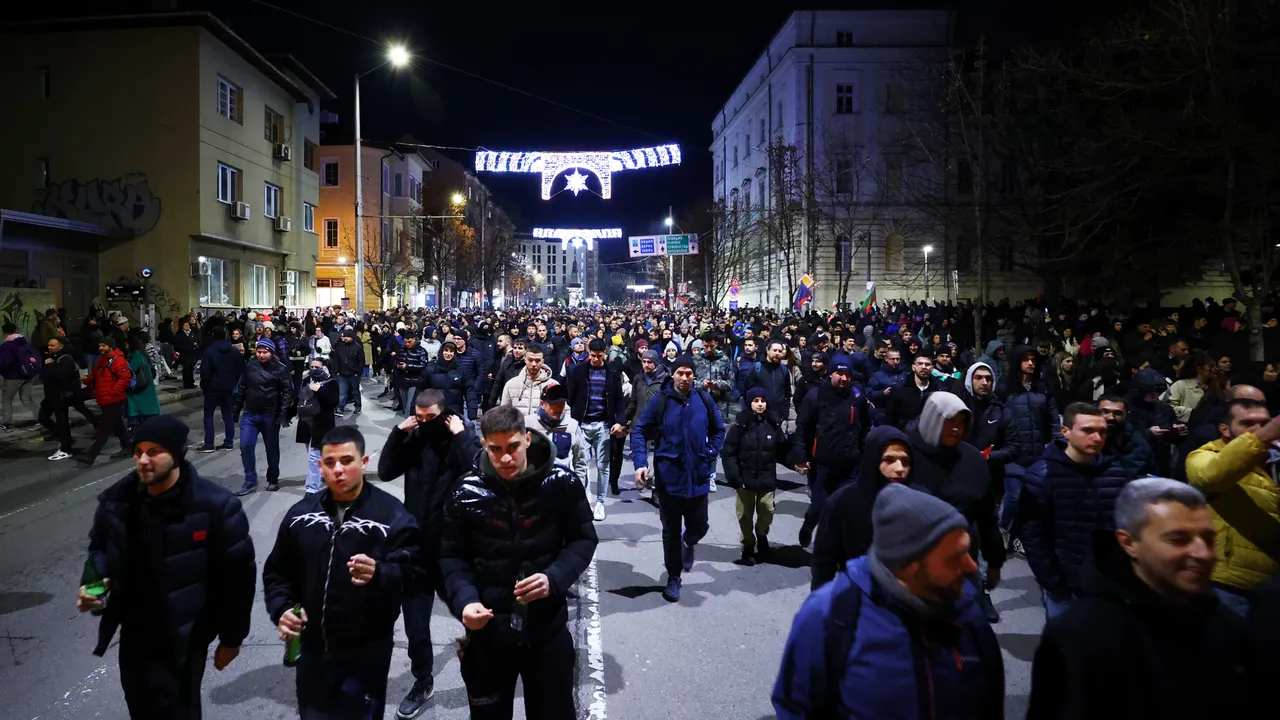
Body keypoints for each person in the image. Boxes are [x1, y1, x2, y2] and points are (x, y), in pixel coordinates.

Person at [1025, 478, 1258, 720]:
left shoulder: (1227, 626)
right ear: (1129, 542)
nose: (1203, 553)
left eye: (1209, 539)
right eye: (1178, 539)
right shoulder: (1080, 636)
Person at [772, 483, 1005, 719]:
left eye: (968, 552)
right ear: (910, 563)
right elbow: (794, 705)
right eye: (953, 557)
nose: (971, 566)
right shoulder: (830, 613)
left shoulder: (969, 617)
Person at [79, 415, 256, 719]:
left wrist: (231, 639)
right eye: (138, 452)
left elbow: (238, 580)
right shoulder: (117, 502)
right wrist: (93, 583)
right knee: (140, 707)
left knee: (177, 711)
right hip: (133, 633)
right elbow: (99, 549)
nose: (143, 460)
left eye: (154, 451)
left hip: (185, 635)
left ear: (176, 455)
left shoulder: (215, 506)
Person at [440, 405, 598, 720]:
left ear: (527, 438)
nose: (506, 458)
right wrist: (465, 601)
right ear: (483, 444)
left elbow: (583, 539)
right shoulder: (463, 493)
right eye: (495, 449)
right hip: (489, 635)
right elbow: (451, 557)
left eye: (513, 447)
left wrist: (553, 578)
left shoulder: (561, 483)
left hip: (547, 631)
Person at [263, 425, 423, 720]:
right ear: (320, 466)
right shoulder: (300, 515)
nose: (338, 470)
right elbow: (277, 573)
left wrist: (380, 573)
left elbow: (416, 576)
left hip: (366, 655)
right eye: (329, 462)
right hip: (311, 653)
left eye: (347, 461)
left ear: (364, 462)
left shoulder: (392, 517)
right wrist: (282, 609)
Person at [378, 389, 481, 718]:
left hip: (456, 551)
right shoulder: (415, 440)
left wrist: (463, 436)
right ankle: (423, 680)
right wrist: (399, 433)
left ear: (446, 416)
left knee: (474, 617)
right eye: (419, 418)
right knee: (416, 626)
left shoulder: (459, 440)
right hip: (417, 550)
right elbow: (385, 471)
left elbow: (480, 470)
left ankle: (483, 669)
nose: (424, 424)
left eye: (430, 419)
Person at [1020, 402, 1135, 619]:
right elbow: (1033, 535)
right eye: (1087, 430)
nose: (1097, 438)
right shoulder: (1041, 476)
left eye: (1102, 432)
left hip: (1108, 583)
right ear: (1065, 432)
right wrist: (1052, 581)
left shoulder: (1115, 473)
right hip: (1066, 584)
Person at [632, 356, 726, 602]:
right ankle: (674, 577)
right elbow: (640, 430)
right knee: (670, 531)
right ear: (672, 374)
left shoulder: (704, 400)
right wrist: (641, 463)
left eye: (689, 374)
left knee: (700, 525)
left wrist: (710, 452)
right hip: (668, 477)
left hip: (698, 475)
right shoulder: (661, 401)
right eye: (680, 373)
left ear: (694, 376)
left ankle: (690, 540)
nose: (684, 378)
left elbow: (718, 430)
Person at [1185, 397, 1280, 616]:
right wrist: (1263, 436)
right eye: (1247, 424)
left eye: (1265, 424)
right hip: (1228, 584)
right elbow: (1212, 477)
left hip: (1272, 582)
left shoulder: (1273, 459)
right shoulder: (1204, 456)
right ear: (1225, 429)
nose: (1258, 430)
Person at [810, 425, 912, 589]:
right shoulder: (843, 502)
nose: (899, 469)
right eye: (889, 460)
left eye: (905, 461)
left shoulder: (918, 503)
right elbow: (824, 563)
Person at [791, 360, 870, 548]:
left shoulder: (856, 397)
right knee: (818, 507)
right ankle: (809, 526)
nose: (844, 378)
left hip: (850, 464)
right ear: (831, 374)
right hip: (822, 464)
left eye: (848, 375)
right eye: (840, 374)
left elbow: (866, 425)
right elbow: (803, 428)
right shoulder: (815, 396)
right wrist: (800, 457)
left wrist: (864, 452)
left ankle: (836, 549)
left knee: (846, 510)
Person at [722, 387, 787, 565]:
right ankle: (748, 545)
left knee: (767, 510)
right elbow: (728, 453)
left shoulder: (773, 425)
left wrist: (799, 462)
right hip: (745, 479)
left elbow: (783, 450)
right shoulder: (740, 426)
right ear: (749, 403)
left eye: (763, 401)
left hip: (767, 478)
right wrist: (734, 477)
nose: (760, 404)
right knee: (744, 516)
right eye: (756, 401)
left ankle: (761, 534)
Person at [566, 338, 626, 517]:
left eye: (600, 356)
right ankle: (585, 498)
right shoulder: (579, 371)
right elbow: (571, 395)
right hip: (582, 423)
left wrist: (620, 421)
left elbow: (619, 398)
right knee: (581, 464)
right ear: (588, 352)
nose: (596, 359)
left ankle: (600, 502)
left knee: (602, 465)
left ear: (605, 354)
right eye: (593, 356)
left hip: (604, 424)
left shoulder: (612, 372)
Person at [233, 338, 294, 495]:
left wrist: (282, 414)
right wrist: (236, 409)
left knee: (271, 449)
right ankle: (250, 480)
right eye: (258, 352)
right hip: (250, 414)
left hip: (270, 415)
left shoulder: (281, 369)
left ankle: (273, 479)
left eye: (264, 352)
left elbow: (287, 392)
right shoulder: (250, 366)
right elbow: (242, 388)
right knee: (246, 445)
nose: (261, 355)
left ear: (271, 353)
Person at [76, 336, 133, 466]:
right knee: (118, 425)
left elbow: (125, 379)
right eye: (100, 345)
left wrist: (112, 392)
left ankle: (92, 454)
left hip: (114, 399)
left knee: (105, 428)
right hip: (104, 399)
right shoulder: (101, 360)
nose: (100, 348)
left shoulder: (118, 360)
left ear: (110, 347)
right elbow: (94, 374)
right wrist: (86, 380)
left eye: (103, 345)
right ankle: (128, 447)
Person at [294, 357, 339, 494]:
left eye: (317, 367)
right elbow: (300, 400)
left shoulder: (332, 383)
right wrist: (288, 413)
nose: (313, 370)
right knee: (316, 455)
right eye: (312, 367)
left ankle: (312, 489)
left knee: (314, 458)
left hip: (322, 425)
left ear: (325, 368)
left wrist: (320, 390)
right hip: (306, 424)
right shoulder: (307, 380)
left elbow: (333, 402)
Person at [528, 381, 589, 481]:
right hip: (535, 487)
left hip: (563, 487)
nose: (559, 408)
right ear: (542, 404)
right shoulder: (528, 424)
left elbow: (580, 461)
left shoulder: (572, 426)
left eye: (562, 403)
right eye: (554, 403)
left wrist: (579, 485)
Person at [197, 327, 243, 452]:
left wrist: (205, 383)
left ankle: (209, 444)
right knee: (227, 414)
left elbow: (205, 371)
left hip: (212, 387)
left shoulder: (210, 351)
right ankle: (228, 442)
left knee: (208, 415)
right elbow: (240, 369)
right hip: (228, 387)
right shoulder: (234, 351)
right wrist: (233, 382)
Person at [38, 334, 83, 461]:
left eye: (52, 345)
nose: (49, 347)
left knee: (62, 421)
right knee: (43, 416)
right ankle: (64, 439)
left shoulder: (66, 359)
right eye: (49, 345)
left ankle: (66, 448)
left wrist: (49, 366)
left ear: (61, 346)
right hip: (52, 395)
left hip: (62, 396)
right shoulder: (52, 357)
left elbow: (60, 376)